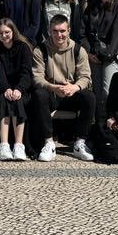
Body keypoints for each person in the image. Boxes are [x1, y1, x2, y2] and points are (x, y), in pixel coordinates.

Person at [30, 14, 95, 162]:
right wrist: (52, 87)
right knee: (39, 94)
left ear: (69, 30)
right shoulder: (40, 49)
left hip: (70, 92)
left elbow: (85, 76)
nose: (59, 35)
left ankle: (80, 143)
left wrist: (75, 87)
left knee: (89, 97)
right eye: (55, 31)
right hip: (51, 92)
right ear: (49, 31)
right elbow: (37, 77)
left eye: (62, 31)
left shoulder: (79, 50)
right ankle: (48, 142)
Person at [82, 0, 118, 127]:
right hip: (94, 56)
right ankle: (99, 126)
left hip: (110, 56)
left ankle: (110, 125)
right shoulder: (91, 8)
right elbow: (83, 33)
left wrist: (108, 53)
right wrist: (89, 53)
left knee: (108, 92)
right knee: (96, 93)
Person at [0, 17, 33, 161]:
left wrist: (19, 89)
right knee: (3, 100)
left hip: (22, 88)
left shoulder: (23, 47)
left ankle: (19, 145)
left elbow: (27, 72)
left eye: (7, 32)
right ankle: (4, 145)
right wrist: (6, 89)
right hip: (4, 88)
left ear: (13, 31)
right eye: (1, 33)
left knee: (18, 101)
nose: (4, 35)